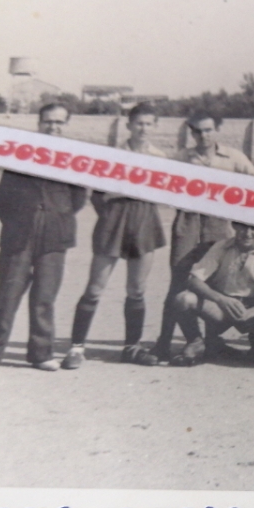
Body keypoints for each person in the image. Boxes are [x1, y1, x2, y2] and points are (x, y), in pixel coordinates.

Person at [0, 103, 87, 371]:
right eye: (48, 122)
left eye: (59, 122)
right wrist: (19, 221)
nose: (53, 127)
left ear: (66, 125)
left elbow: (78, 199)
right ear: (39, 123)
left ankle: (42, 355)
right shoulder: (19, 154)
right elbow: (1, 198)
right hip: (20, 234)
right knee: (8, 295)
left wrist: (56, 216)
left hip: (55, 234)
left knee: (45, 297)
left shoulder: (74, 158)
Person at [62, 102, 167, 369]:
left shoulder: (161, 157)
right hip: (114, 222)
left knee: (137, 289)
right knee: (95, 288)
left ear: (155, 127)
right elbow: (97, 195)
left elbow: (163, 193)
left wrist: (126, 190)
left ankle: (132, 347)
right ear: (129, 125)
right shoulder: (112, 155)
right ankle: (76, 348)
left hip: (144, 222)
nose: (143, 128)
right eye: (138, 123)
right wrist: (113, 211)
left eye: (148, 123)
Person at [152, 112, 254, 363]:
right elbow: (165, 187)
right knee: (178, 283)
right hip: (187, 223)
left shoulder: (233, 157)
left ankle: (211, 343)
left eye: (208, 130)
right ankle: (168, 341)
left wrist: (237, 205)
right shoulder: (181, 157)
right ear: (191, 133)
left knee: (216, 282)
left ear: (217, 129)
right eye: (198, 131)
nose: (203, 136)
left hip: (219, 224)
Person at [169, 222, 254, 365]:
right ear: (234, 225)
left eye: (253, 227)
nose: (247, 233)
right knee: (183, 299)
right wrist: (221, 299)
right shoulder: (221, 246)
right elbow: (194, 280)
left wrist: (251, 313)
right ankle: (196, 342)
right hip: (223, 307)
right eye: (242, 226)